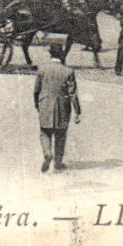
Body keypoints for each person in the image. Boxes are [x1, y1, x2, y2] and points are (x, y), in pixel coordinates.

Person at [33, 40, 82, 172]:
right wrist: (78, 111)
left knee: (45, 132)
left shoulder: (42, 69)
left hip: (45, 104)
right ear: (62, 55)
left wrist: (37, 105)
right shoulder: (68, 71)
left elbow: (36, 90)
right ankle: (58, 162)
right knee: (61, 134)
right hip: (62, 106)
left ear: (50, 54)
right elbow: (73, 94)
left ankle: (47, 153)